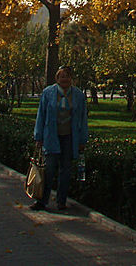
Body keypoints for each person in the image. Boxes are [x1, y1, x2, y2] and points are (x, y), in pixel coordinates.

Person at [31, 65, 88, 212]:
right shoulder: (48, 93)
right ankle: (42, 201)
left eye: (67, 76)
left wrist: (82, 140)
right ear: (57, 78)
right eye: (62, 76)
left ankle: (61, 201)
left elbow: (83, 119)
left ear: (71, 79)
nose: (64, 79)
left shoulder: (78, 96)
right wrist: (39, 136)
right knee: (48, 170)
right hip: (51, 137)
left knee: (65, 171)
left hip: (69, 137)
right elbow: (41, 115)